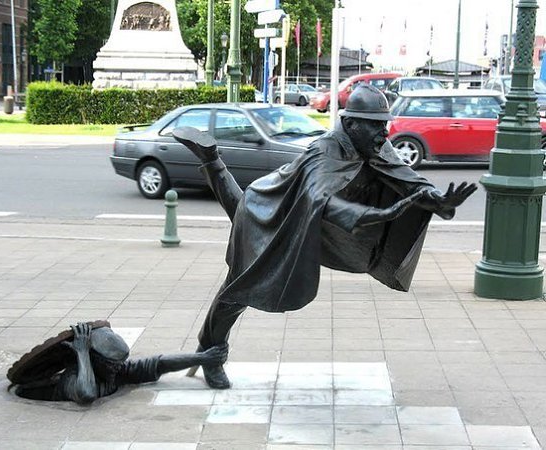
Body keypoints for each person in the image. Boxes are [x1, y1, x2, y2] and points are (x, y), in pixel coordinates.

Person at [172, 84, 477, 389]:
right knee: (238, 288)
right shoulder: (325, 150)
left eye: (384, 124)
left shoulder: (374, 145)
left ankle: (211, 160)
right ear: (350, 123)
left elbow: (410, 181)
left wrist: (436, 200)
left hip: (303, 221)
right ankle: (211, 355)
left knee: (239, 259)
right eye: (375, 125)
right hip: (269, 210)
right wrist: (373, 215)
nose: (383, 132)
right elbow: (319, 199)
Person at [9, 322, 228, 404]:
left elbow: (157, 364)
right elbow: (86, 395)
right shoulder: (72, 378)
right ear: (95, 359)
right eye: (111, 363)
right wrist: (82, 352)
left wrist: (202, 357)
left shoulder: (114, 372)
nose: (117, 366)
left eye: (119, 362)